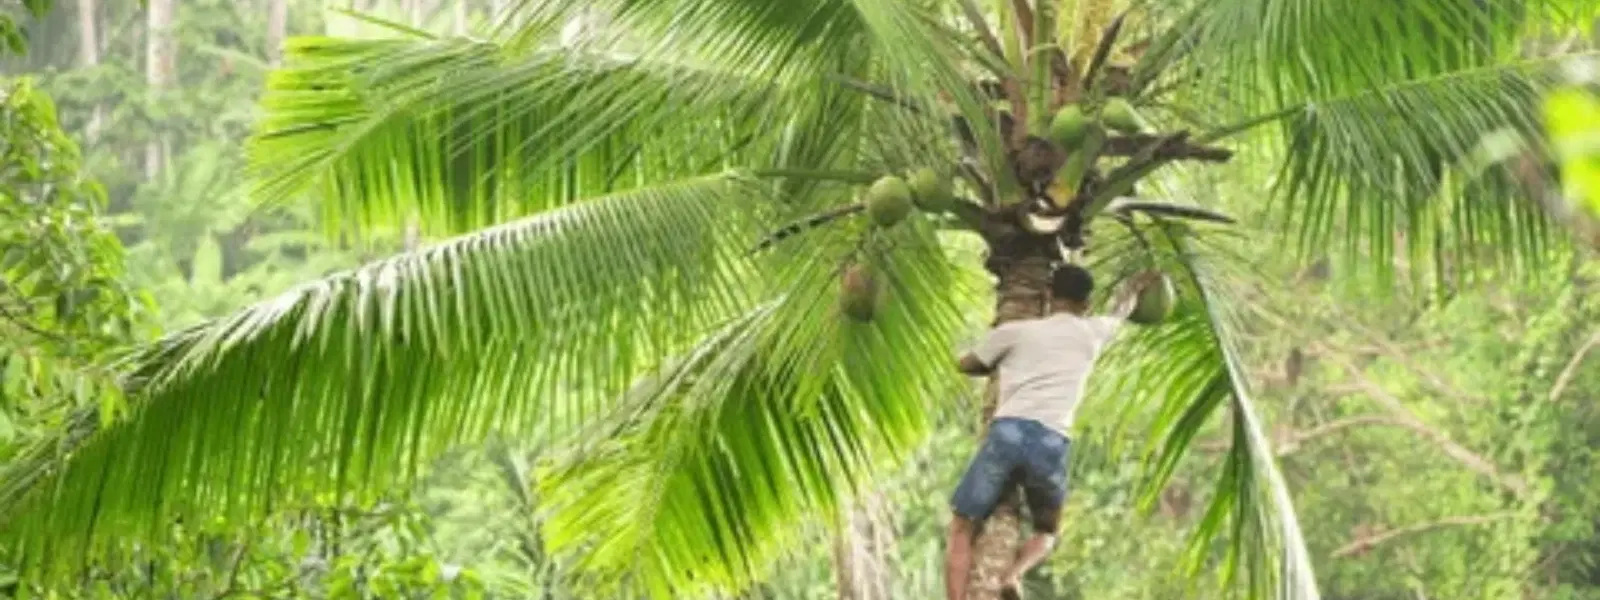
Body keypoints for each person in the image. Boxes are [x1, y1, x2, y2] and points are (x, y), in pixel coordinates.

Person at [944, 264, 1159, 600]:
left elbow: (968, 364)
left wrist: (981, 357)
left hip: (1007, 434)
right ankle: (1012, 576)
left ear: (1048, 294)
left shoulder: (1016, 332)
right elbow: (1121, 309)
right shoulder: (1093, 332)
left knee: (962, 527)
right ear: (1086, 303)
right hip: (1050, 442)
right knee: (1047, 531)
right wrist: (1137, 283)